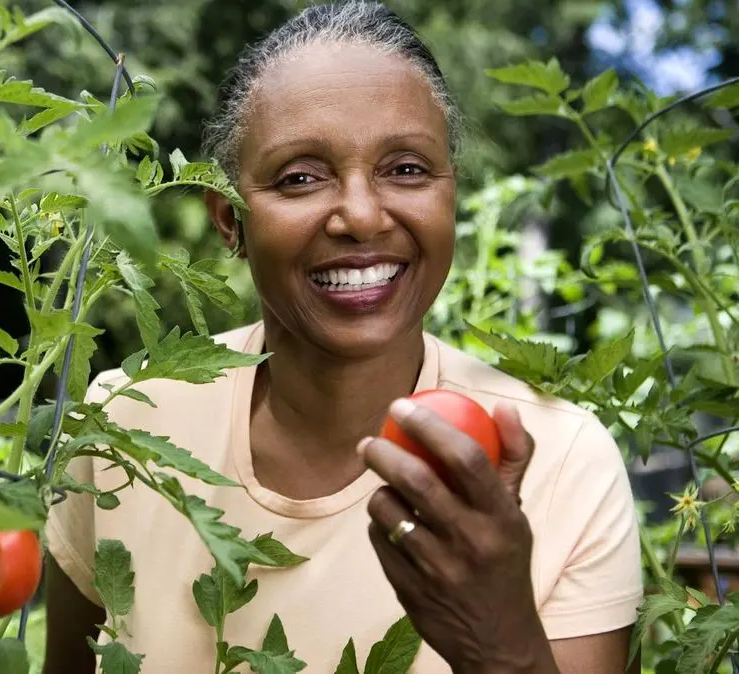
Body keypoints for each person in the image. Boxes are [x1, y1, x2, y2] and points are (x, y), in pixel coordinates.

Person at [42, 2, 644, 672]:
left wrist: (498, 640)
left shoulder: (565, 465)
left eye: (407, 169)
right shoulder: (121, 422)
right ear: (228, 221)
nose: (360, 215)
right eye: (301, 176)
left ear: (450, 197)